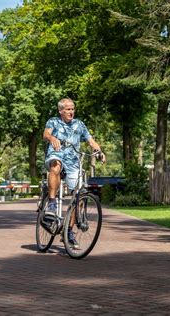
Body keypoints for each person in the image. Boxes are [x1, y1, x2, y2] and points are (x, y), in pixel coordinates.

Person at [42, 98, 105, 248]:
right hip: (56, 154)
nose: (71, 111)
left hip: (73, 162)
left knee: (79, 195)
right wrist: (52, 138)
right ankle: (51, 203)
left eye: (73, 109)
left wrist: (99, 151)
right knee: (55, 166)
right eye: (68, 109)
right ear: (61, 111)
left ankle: (68, 232)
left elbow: (90, 141)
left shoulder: (79, 124)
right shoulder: (53, 122)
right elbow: (45, 134)